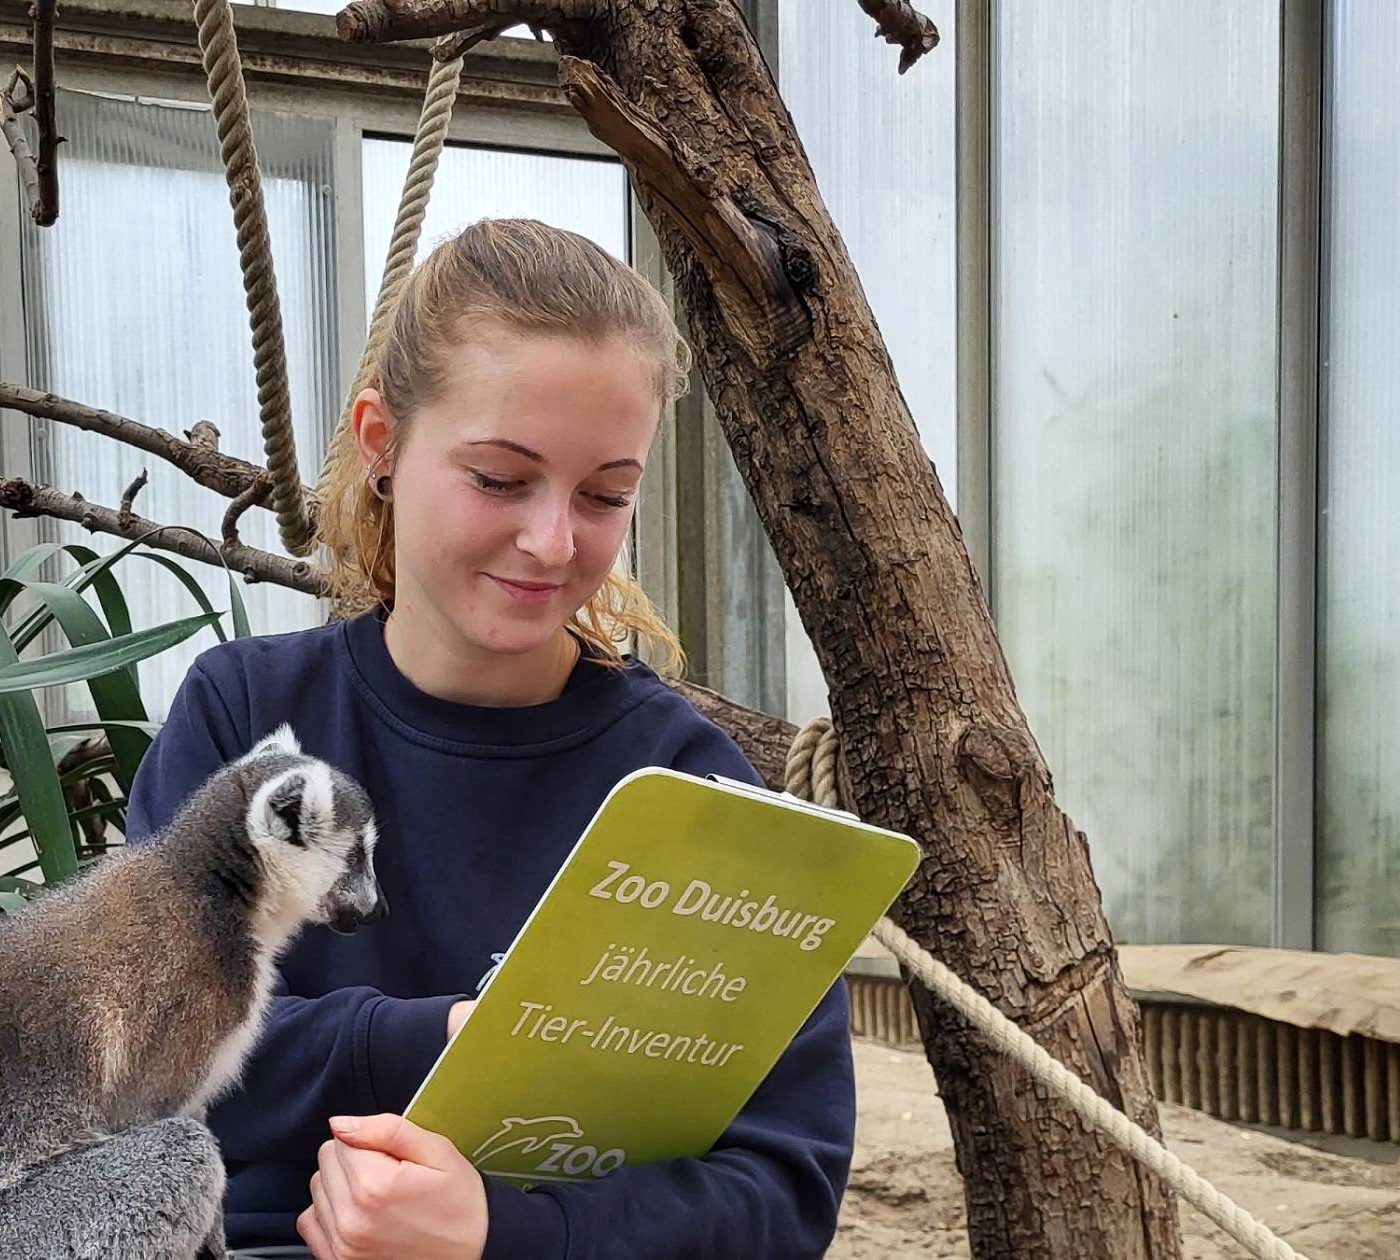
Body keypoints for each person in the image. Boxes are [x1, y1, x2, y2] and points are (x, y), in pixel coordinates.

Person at [121, 217, 854, 1260]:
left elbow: (783, 1185)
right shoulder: (249, 718)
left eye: (605, 494)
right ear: (382, 444)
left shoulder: (686, 783)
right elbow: (149, 1055)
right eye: (501, 479)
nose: (553, 540)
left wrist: (496, 1231)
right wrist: (443, 1041)